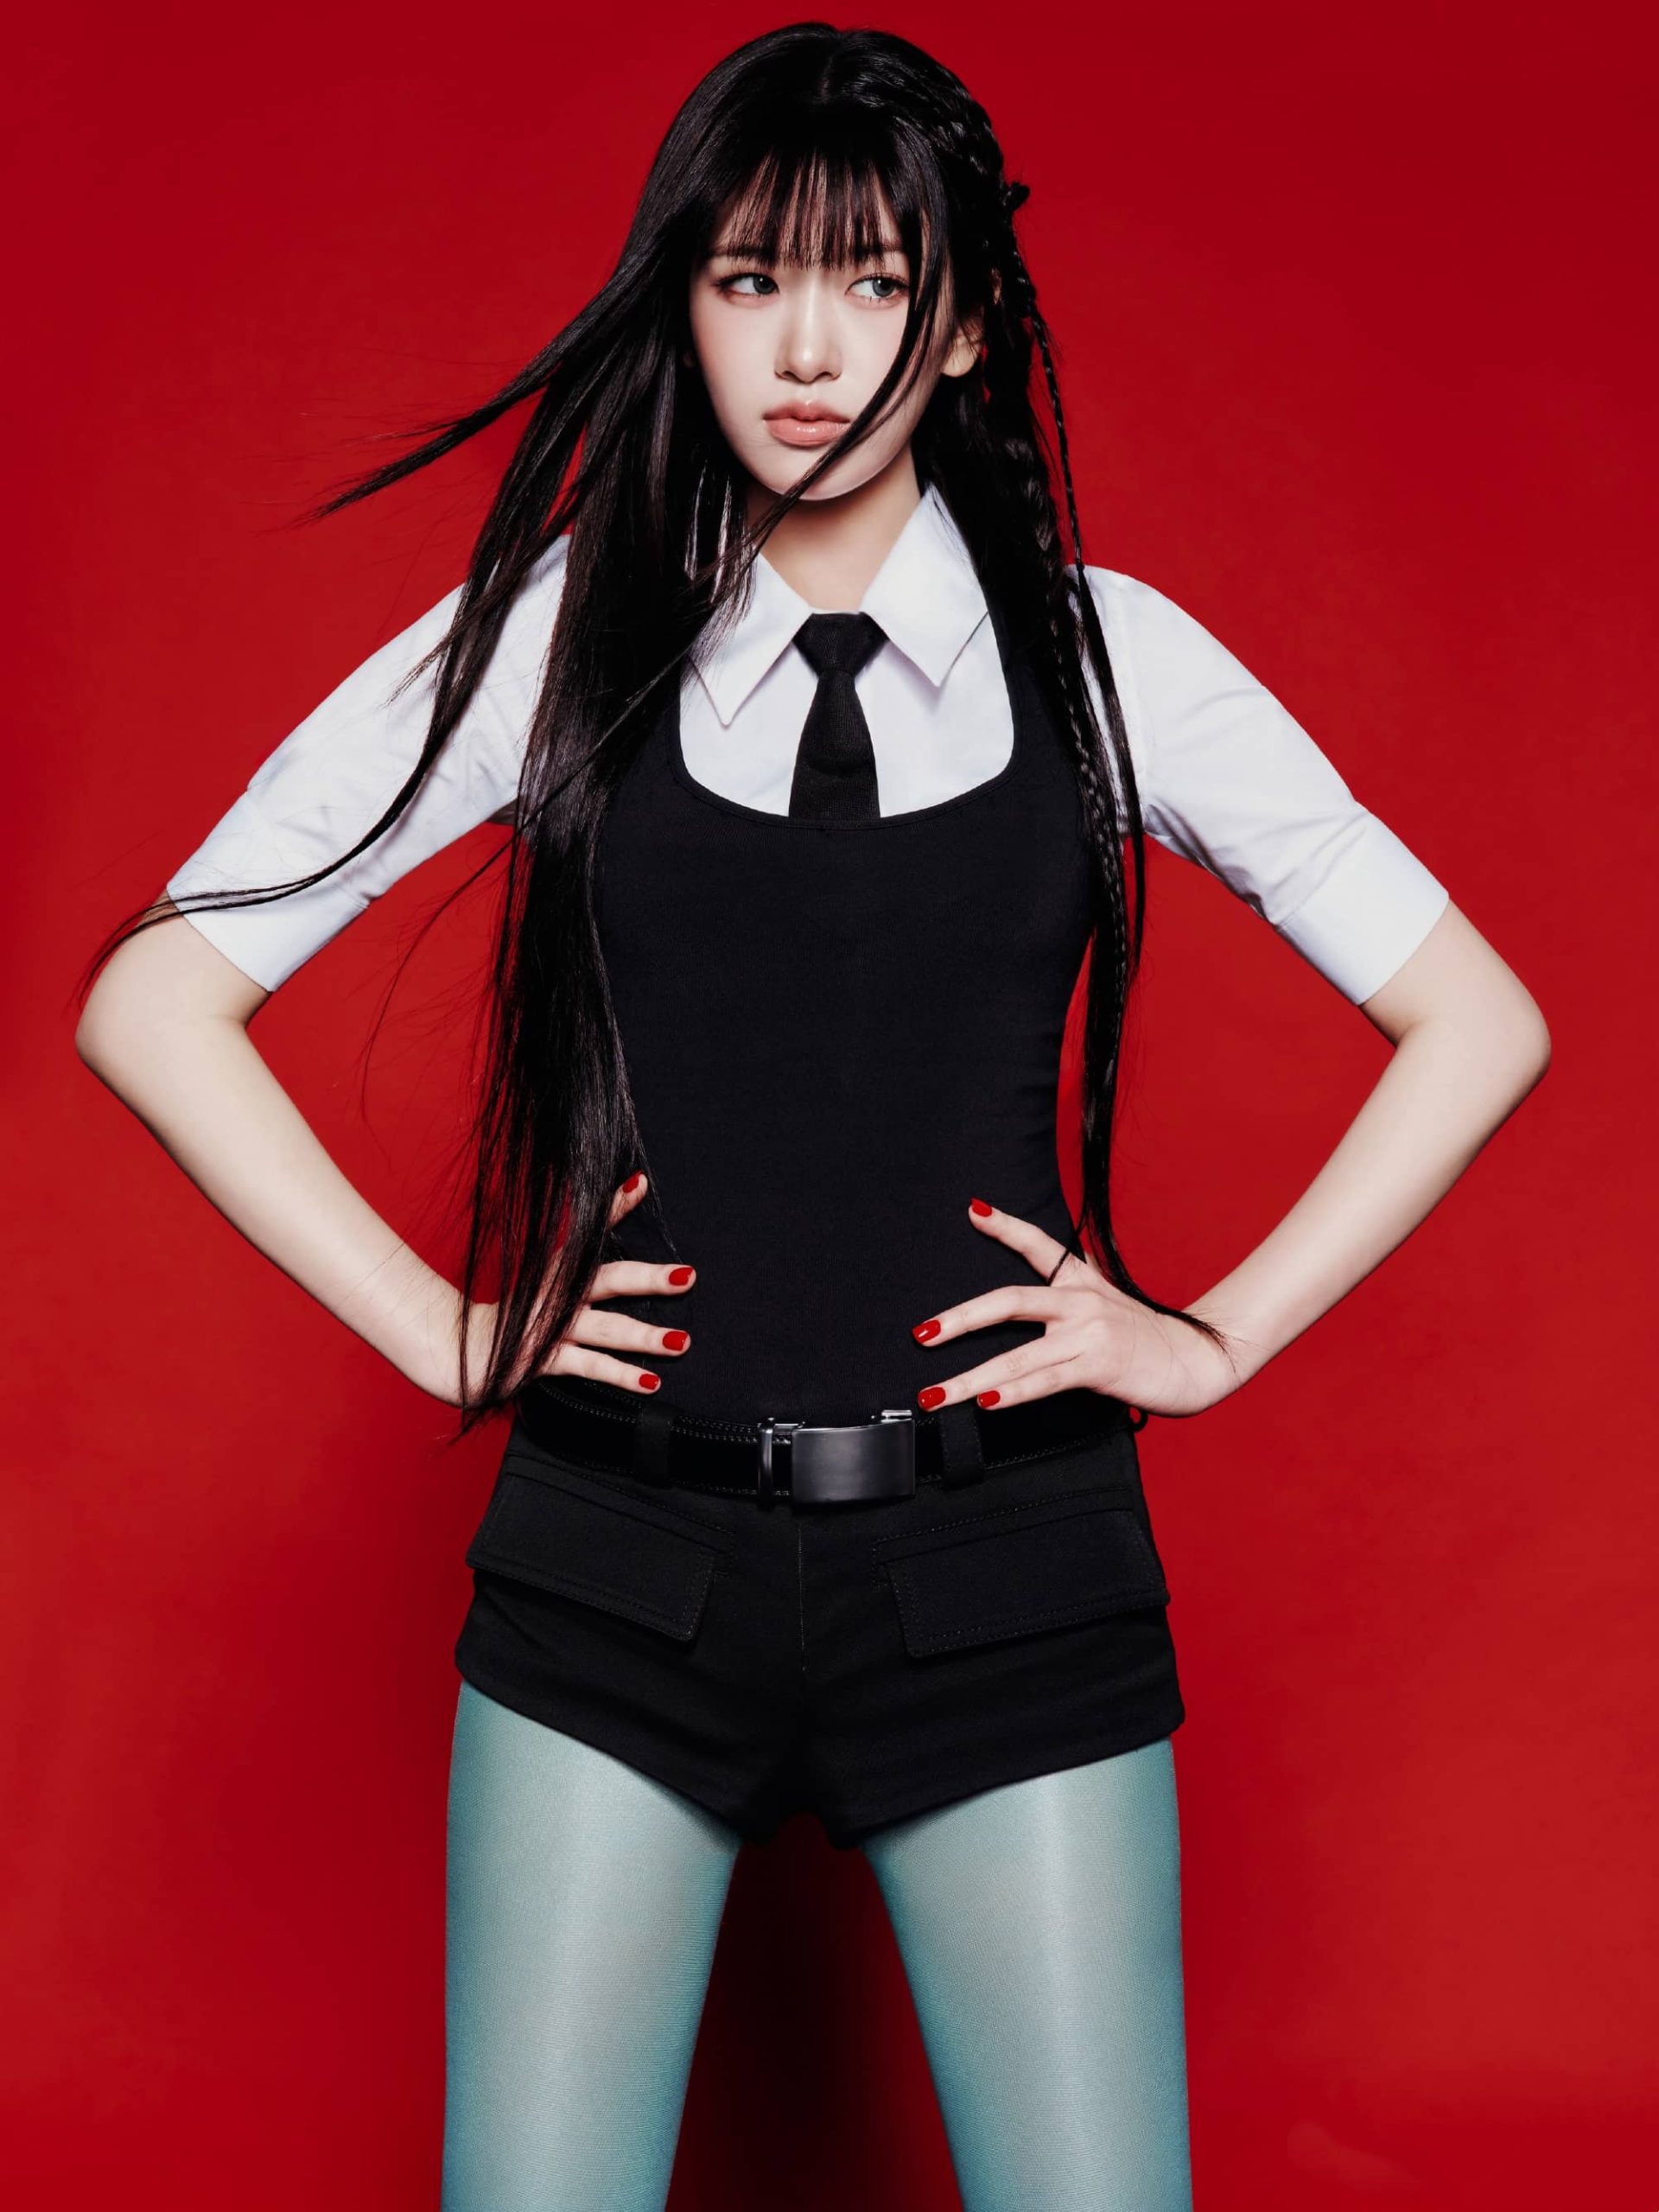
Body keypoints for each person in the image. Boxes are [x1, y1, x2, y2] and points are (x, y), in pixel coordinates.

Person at [73, 22, 1550, 2211]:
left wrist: (1209, 1334)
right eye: (750, 277)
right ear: (685, 300)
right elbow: (156, 994)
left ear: (961, 327)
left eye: (872, 281)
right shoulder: (566, 638)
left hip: (1003, 1569)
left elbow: (1478, 1020)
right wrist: (440, 1323)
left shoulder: (1109, 659)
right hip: (619, 1569)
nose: (804, 346)